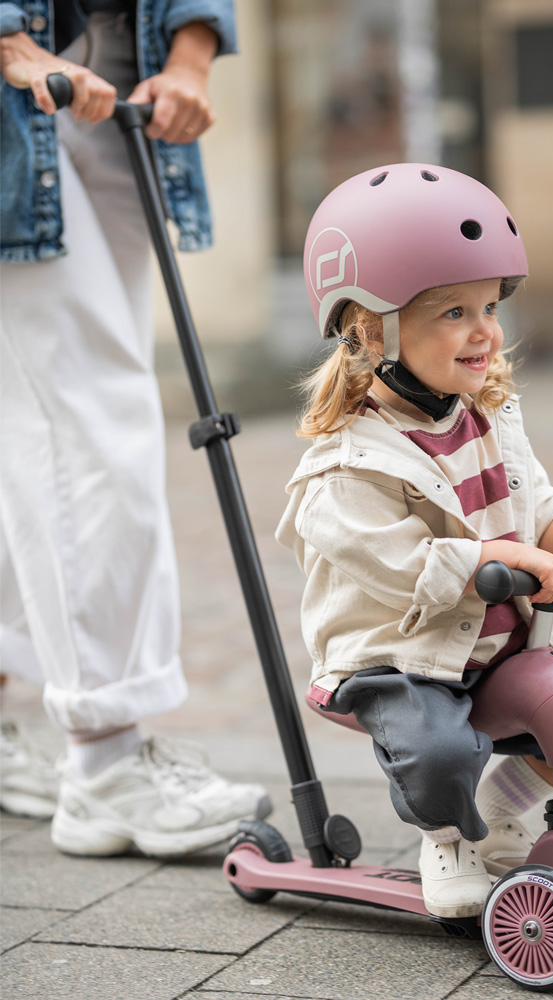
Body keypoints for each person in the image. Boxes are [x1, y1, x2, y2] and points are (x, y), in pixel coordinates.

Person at [276, 163, 553, 919]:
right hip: (397, 657)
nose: (485, 330)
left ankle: (507, 810)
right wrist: (492, 559)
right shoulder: (345, 463)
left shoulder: (487, 416)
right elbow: (395, 565)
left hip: (492, 645)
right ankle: (449, 836)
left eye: (489, 305)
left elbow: (534, 496)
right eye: (453, 311)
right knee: (441, 749)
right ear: (369, 328)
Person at [0, 0, 271, 856]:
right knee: (85, 419)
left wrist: (188, 59)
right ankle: (106, 763)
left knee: (43, 421)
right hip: (24, 83)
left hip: (114, 81)